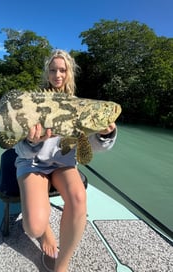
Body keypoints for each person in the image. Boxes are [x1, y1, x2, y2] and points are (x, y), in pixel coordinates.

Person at [13, 49, 117, 272]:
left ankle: (62, 264)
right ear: (47, 73)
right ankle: (46, 233)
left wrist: (104, 135)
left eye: (62, 70)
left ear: (70, 73)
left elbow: (89, 147)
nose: (57, 75)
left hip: (63, 163)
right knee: (33, 226)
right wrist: (33, 142)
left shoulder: (82, 106)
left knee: (79, 198)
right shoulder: (34, 102)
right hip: (32, 163)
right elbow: (19, 148)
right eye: (53, 70)